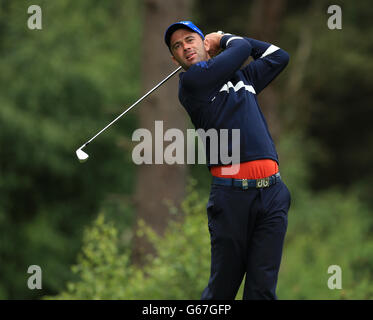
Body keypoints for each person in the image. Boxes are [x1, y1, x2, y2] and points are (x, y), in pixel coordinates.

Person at [164, 21, 291, 300]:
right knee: (222, 291)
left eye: (189, 39)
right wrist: (222, 39)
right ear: (175, 59)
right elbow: (243, 47)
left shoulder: (242, 79)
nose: (185, 47)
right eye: (177, 46)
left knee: (262, 291)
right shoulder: (191, 83)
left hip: (272, 193)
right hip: (232, 197)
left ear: (202, 43)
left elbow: (279, 56)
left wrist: (222, 42)